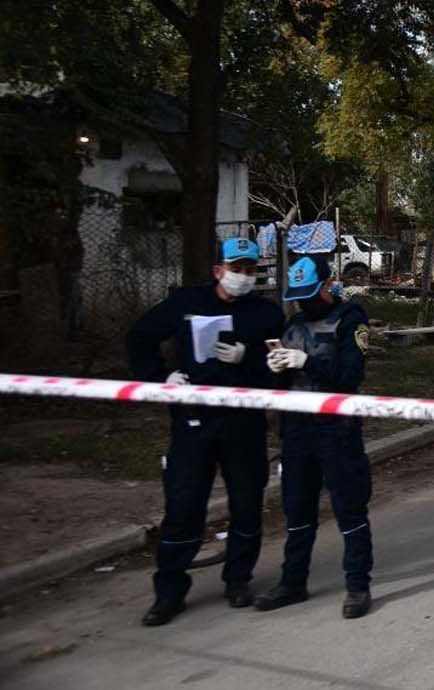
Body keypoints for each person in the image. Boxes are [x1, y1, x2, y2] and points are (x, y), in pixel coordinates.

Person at [126, 237, 283, 627]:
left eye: (249, 270)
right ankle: (169, 593)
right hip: (194, 421)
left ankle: (238, 580)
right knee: (183, 506)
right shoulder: (186, 304)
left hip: (243, 421)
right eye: (236, 269)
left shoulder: (265, 314)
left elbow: (279, 370)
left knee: (246, 503)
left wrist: (250, 360)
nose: (243, 277)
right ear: (218, 271)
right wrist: (161, 378)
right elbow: (140, 336)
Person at [255, 258, 375, 620]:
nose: (306, 305)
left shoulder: (351, 320)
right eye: (299, 298)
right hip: (296, 430)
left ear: (328, 285)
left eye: (311, 295)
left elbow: (349, 375)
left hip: (336, 430)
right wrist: (275, 368)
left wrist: (305, 361)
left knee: (349, 507)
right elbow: (278, 383)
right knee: (297, 508)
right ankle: (293, 582)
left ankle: (357, 585)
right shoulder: (292, 325)